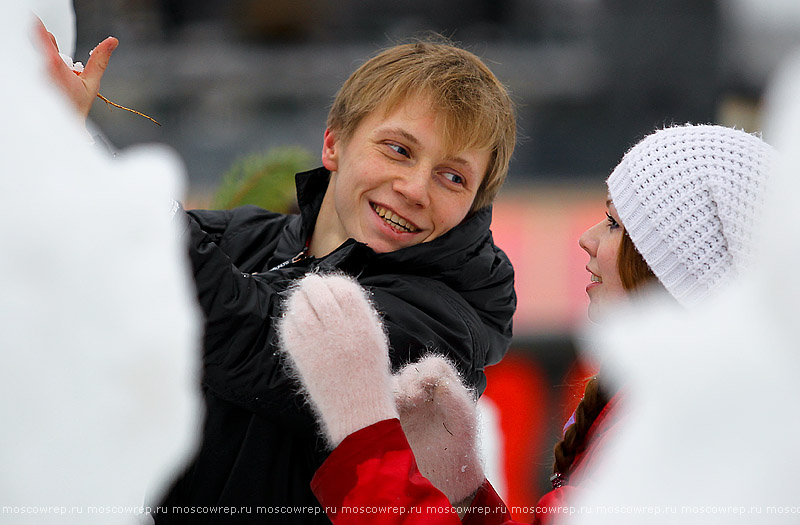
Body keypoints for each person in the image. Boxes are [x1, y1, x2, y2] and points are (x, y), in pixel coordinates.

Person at [37, 22, 518, 523]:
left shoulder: (445, 323)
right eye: (399, 150)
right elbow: (102, 263)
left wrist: (84, 154)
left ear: (474, 203)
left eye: (453, 177)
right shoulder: (250, 236)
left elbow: (254, 339)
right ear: (334, 144)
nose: (416, 188)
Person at [278, 124, 775, 524]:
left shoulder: (689, 437)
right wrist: (467, 493)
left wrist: (365, 432)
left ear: (674, 266)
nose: (587, 238)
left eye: (615, 224)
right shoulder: (667, 407)